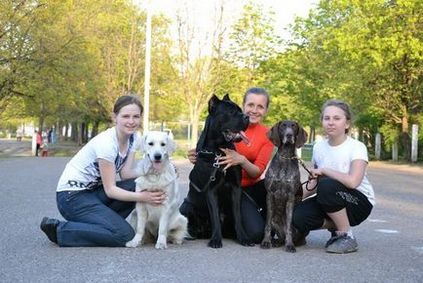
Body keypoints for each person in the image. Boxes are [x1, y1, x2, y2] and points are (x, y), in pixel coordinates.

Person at [39, 95, 167, 247]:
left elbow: (126, 174)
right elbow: (111, 190)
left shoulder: (133, 138)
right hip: (71, 198)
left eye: (136, 116)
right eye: (125, 116)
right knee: (124, 235)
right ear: (115, 117)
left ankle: (99, 225)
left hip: (94, 194)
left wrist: (158, 170)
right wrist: (143, 197)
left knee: (135, 184)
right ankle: (60, 230)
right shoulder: (106, 144)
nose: (131, 121)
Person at [181, 87, 274, 243]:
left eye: (260, 107)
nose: (254, 110)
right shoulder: (226, 129)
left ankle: (244, 221)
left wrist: (241, 160)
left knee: (255, 234)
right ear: (244, 105)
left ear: (265, 110)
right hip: (218, 189)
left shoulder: (266, 135)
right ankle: (217, 227)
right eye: (251, 105)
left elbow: (257, 171)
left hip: (247, 190)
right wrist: (200, 157)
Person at [292, 99, 375, 254]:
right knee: (297, 216)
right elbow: (316, 182)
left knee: (328, 185)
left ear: (347, 123)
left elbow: (353, 182)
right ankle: (335, 226)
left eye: (337, 118)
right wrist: (293, 198)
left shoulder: (357, 147)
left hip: (358, 203)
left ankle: (346, 236)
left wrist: (325, 170)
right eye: (327, 118)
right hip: (330, 197)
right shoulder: (319, 147)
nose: (331, 122)